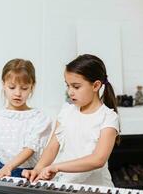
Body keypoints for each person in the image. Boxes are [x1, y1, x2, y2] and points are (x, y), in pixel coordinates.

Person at [22, 54, 120, 187]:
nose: (70, 92)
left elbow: (98, 159)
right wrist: (38, 169)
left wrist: (57, 167)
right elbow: (52, 147)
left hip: (97, 189)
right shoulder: (66, 111)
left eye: (76, 86)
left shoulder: (108, 117)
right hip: (67, 186)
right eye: (68, 86)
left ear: (96, 86)